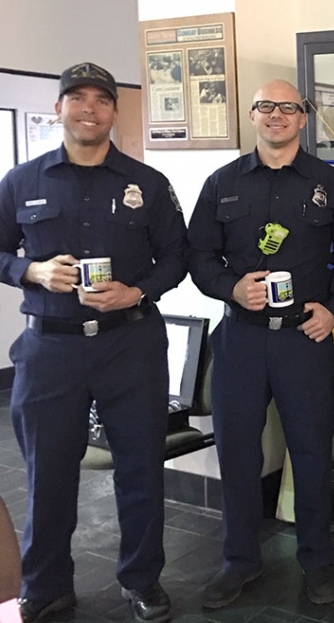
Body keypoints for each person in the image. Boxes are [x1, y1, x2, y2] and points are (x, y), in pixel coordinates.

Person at [0, 62, 187, 623]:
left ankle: (142, 580)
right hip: (49, 349)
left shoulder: (146, 184)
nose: (88, 109)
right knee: (48, 473)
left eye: (100, 100)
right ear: (59, 108)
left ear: (114, 111)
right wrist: (30, 272)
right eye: (76, 98)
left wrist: (135, 291)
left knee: (139, 468)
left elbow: (177, 258)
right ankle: (47, 584)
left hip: (129, 346)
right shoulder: (21, 181)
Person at [187, 80, 334, 610]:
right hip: (240, 340)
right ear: (252, 115)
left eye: (288, 107)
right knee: (236, 453)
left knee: (310, 455)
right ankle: (239, 561)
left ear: (303, 118)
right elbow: (199, 256)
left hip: (304, 339)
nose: (276, 115)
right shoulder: (222, 183)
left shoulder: (331, 183)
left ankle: (318, 561)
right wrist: (230, 287)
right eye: (266, 107)